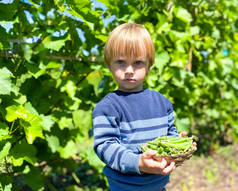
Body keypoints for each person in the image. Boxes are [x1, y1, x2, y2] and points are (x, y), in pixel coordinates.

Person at [92, 22, 179, 191]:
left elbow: (170, 133)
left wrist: (178, 144)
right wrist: (138, 163)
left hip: (159, 186)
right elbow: (105, 146)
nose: (129, 70)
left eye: (138, 62)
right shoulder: (107, 107)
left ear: (149, 65)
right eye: (121, 62)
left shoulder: (162, 102)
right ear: (109, 64)